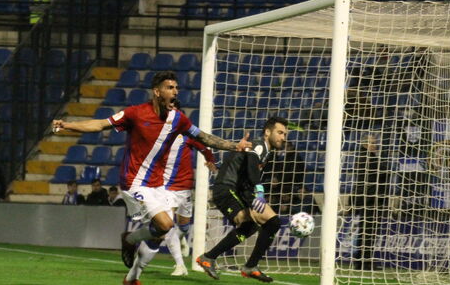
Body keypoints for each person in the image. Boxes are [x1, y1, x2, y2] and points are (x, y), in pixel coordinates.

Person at [52, 70, 251, 285]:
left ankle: (131, 278)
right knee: (166, 225)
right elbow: (100, 124)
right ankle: (130, 239)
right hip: (133, 181)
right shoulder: (135, 113)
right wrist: (68, 125)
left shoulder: (178, 119)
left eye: (176, 88)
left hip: (158, 185)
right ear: (157, 92)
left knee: (157, 235)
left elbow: (204, 137)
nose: (175, 91)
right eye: (170, 88)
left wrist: (234, 146)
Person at [195, 116, 289, 283]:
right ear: (267, 132)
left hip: (238, 190)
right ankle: (248, 265)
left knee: (255, 225)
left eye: (285, 134)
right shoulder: (259, 145)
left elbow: (241, 167)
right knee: (264, 222)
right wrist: (259, 190)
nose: (283, 137)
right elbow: (252, 166)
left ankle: (211, 258)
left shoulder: (266, 151)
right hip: (226, 190)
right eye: (280, 132)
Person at [161, 129, 217, 276]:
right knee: (167, 226)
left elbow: (204, 148)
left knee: (184, 227)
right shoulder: (159, 134)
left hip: (185, 188)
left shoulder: (187, 135)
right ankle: (180, 266)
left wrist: (210, 159)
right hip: (166, 187)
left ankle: (181, 239)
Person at [351, 133, 389, 270]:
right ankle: (365, 262)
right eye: (372, 142)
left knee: (365, 230)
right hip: (370, 198)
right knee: (369, 231)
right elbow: (383, 171)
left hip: (365, 197)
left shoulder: (363, 157)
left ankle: (360, 260)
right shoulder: (368, 158)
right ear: (365, 144)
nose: (375, 145)